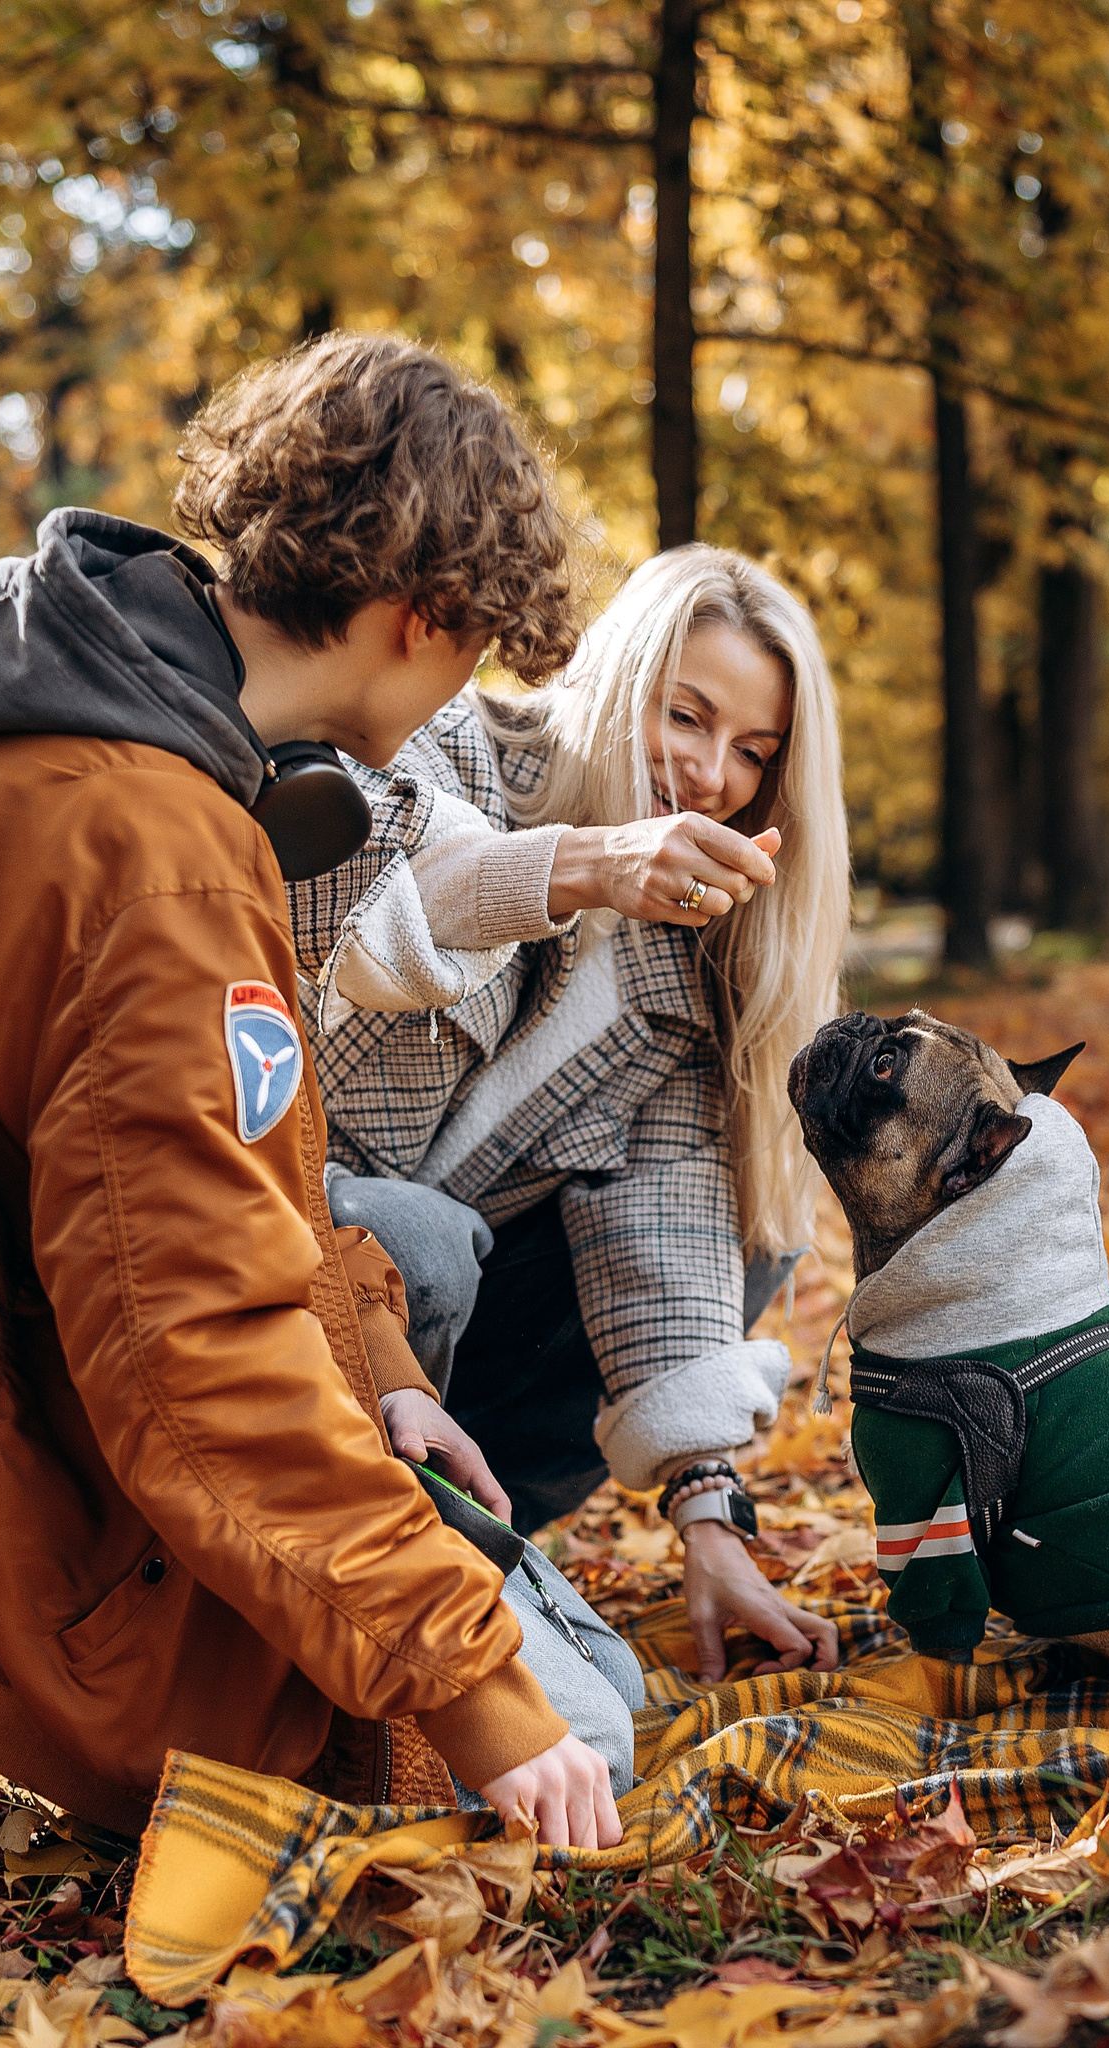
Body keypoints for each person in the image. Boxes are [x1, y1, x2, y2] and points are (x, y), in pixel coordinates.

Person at [0, 333, 632, 1881]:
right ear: (421, 618)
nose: (467, 684)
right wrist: (469, 1692)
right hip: (27, 1507)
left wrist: (387, 1378)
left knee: (413, 1260)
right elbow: (194, 1359)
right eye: (478, 647)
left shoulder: (38, 721)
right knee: (580, 1740)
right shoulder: (158, 858)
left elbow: (234, 1191)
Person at [288, 548, 853, 1683]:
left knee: (752, 1225)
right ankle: (361, 1564)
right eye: (685, 715)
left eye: (755, 751)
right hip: (266, 1236)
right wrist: (582, 867)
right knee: (423, 1240)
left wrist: (711, 1515)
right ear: (618, 676)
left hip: (434, 1351)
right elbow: (339, 910)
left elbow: (662, 1228)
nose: (711, 775)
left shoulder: (674, 974)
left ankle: (467, 1539)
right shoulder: (448, 736)